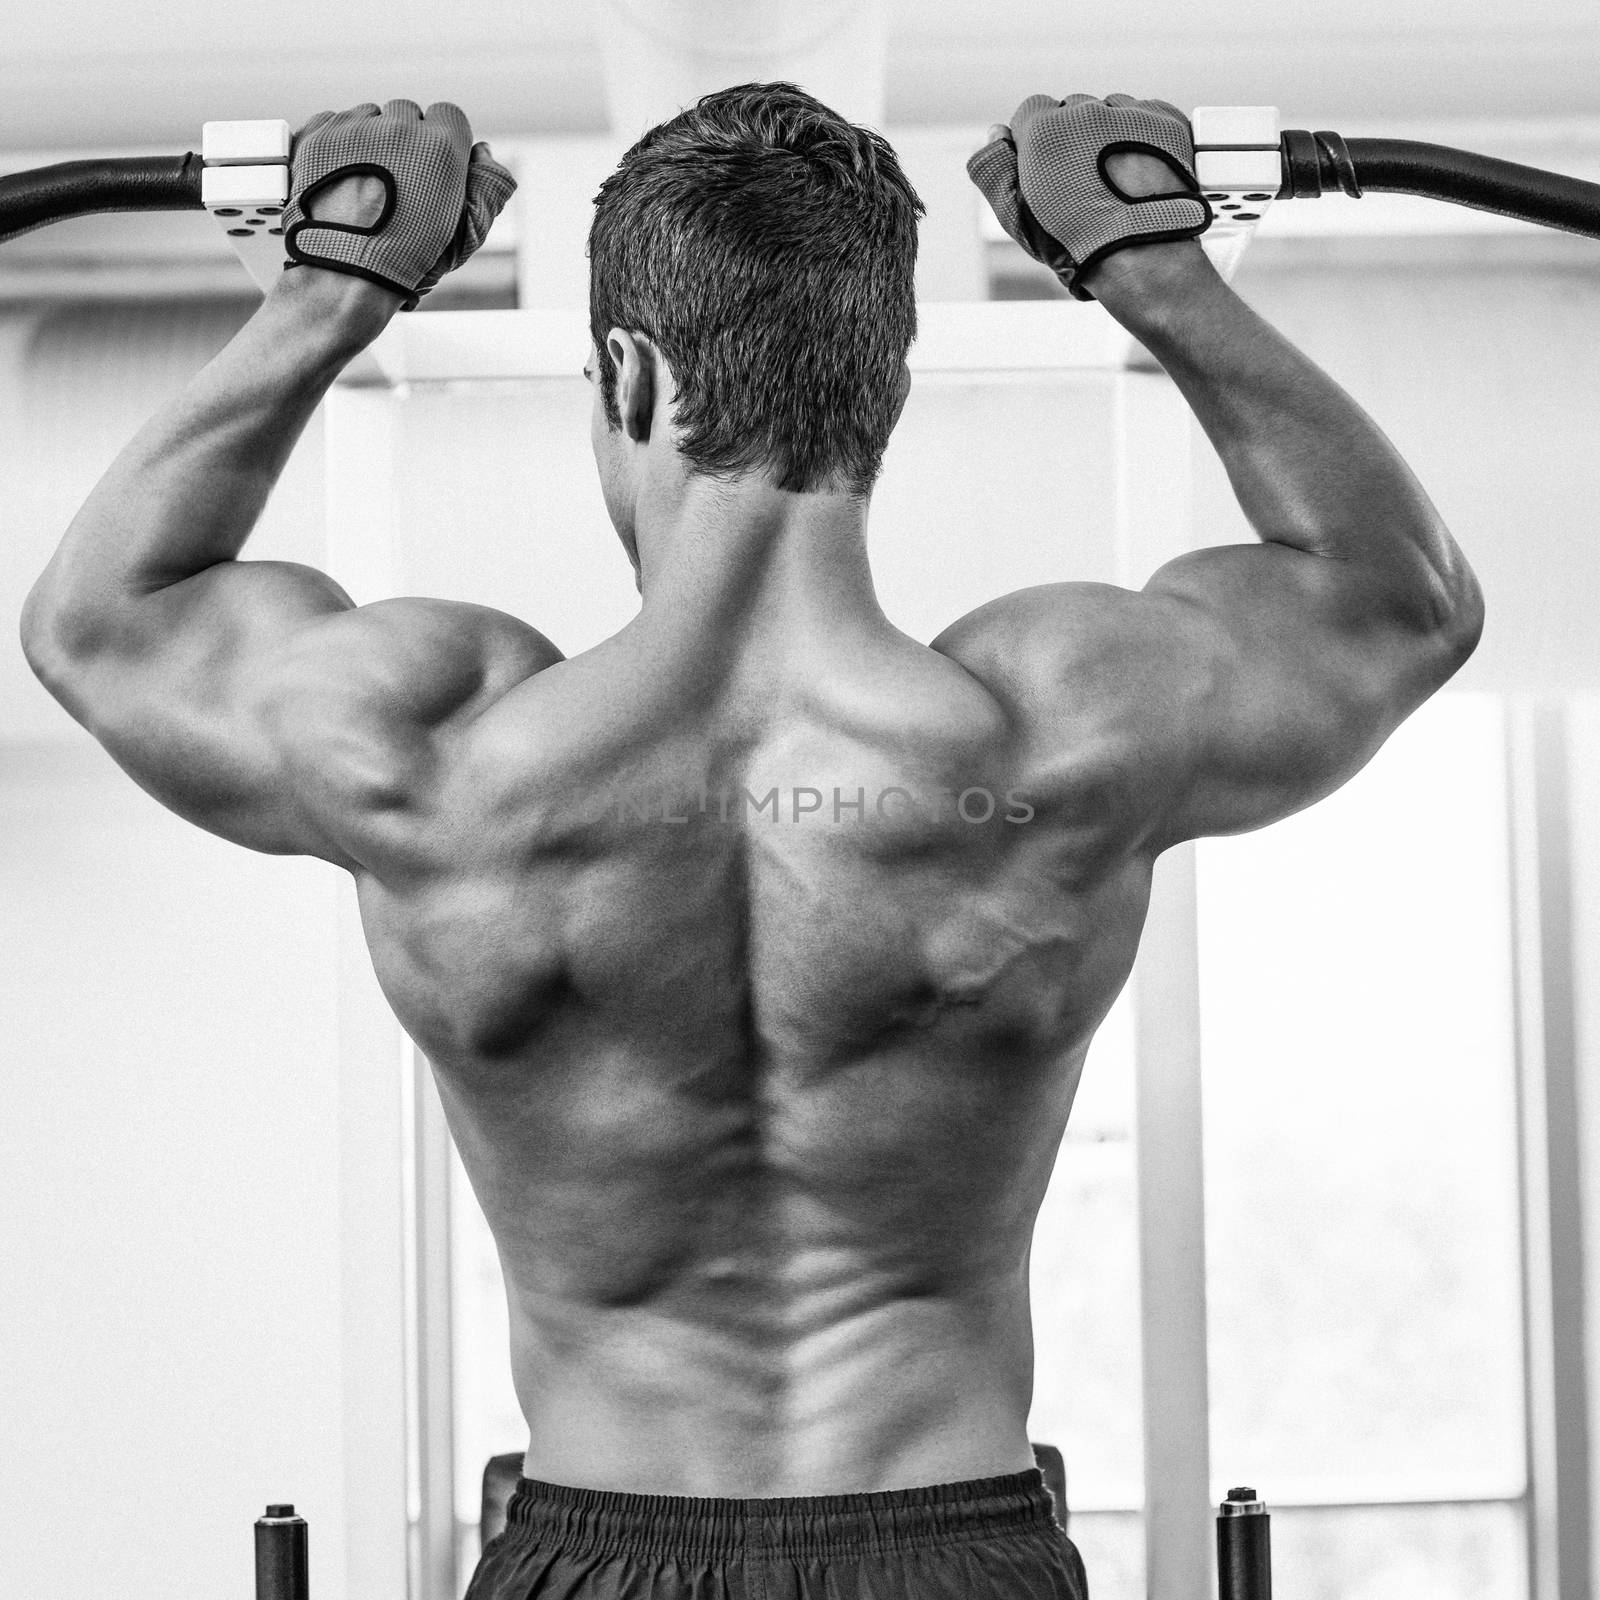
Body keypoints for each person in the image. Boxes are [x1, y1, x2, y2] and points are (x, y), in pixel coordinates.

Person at [19, 85, 1482, 1600]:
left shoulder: (442, 761)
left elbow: (100, 624)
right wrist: (1146, 258)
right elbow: (1402, 600)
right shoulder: (1058, 738)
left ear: (627, 376)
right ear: (885, 391)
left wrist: (340, 282)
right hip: (953, 1549)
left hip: (598, 1554)